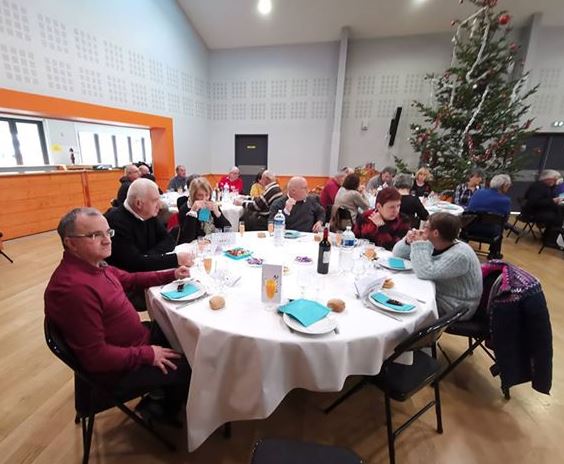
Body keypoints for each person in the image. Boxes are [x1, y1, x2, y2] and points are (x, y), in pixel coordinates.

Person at [44, 207, 191, 424]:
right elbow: (96, 358)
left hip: (135, 341)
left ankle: (161, 397)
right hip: (118, 369)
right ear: (71, 243)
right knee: (191, 362)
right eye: (95, 235)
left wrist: (172, 273)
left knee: (183, 334)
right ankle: (162, 412)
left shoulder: (94, 264)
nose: (107, 240)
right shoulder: (74, 290)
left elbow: (130, 279)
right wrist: (147, 354)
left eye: (107, 232)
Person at [393, 212, 482, 321]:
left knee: (402, 304)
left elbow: (425, 272)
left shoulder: (460, 255)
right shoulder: (437, 241)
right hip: (439, 293)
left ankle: (407, 335)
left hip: (456, 306)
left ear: (435, 233)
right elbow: (397, 255)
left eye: (426, 226)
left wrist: (419, 244)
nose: (421, 229)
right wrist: (408, 241)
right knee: (398, 291)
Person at [106, 178, 193, 272]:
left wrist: (147, 257)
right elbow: (133, 265)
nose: (159, 205)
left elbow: (168, 240)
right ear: (139, 204)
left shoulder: (147, 214)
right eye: (155, 200)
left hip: (147, 272)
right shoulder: (115, 223)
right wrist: (175, 259)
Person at [465, 174, 512, 259]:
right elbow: (505, 220)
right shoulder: (505, 201)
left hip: (469, 228)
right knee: (499, 229)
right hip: (490, 233)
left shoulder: (478, 192)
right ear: (504, 186)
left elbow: (469, 208)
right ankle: (493, 253)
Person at [177, 177, 231, 244]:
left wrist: (217, 213)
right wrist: (193, 212)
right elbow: (188, 238)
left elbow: (228, 230)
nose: (204, 199)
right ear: (193, 195)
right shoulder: (185, 209)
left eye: (207, 195)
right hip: (194, 247)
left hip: (213, 244)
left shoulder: (210, 206)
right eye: (200, 195)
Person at [523, 169, 563, 246]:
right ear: (548, 179)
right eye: (555, 180)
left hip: (538, 210)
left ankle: (548, 237)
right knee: (557, 217)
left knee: (558, 213)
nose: (555, 182)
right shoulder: (538, 187)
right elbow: (535, 202)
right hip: (533, 212)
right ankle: (550, 241)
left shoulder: (545, 186)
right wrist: (552, 201)